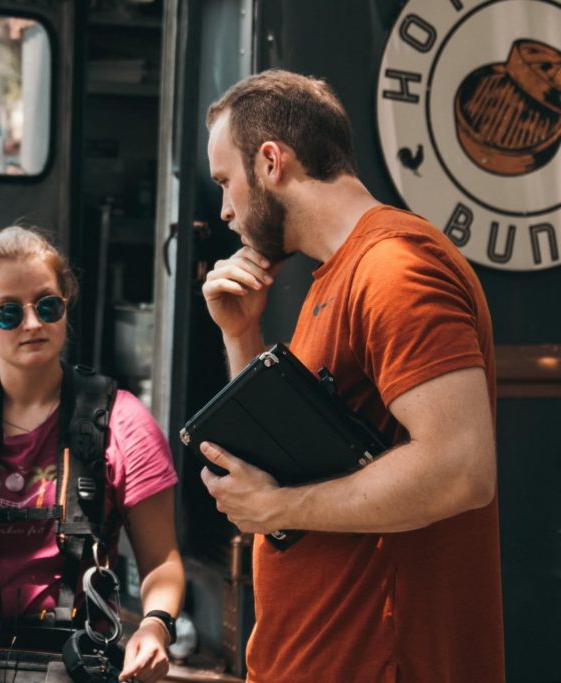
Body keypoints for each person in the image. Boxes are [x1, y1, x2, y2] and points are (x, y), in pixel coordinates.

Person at [199, 70, 504, 682]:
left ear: (270, 162)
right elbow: (284, 451)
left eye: (226, 183)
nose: (227, 211)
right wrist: (241, 335)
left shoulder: (394, 268)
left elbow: (461, 469)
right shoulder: (336, 274)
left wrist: (278, 507)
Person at [0, 226, 184, 683]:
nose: (32, 323)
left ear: (67, 305)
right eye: (8, 312)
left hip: (74, 660)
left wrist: (155, 625)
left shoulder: (122, 420)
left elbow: (161, 559)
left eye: (48, 305)